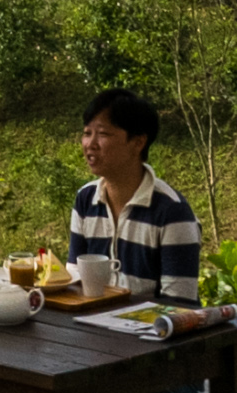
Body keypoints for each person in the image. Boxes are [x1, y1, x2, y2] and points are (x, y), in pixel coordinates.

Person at [63, 86, 209, 306]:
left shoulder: (172, 212)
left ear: (138, 142)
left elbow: (179, 305)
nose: (90, 144)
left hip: (151, 335)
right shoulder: (86, 200)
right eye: (86, 133)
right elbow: (75, 280)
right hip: (94, 331)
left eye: (102, 134)